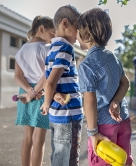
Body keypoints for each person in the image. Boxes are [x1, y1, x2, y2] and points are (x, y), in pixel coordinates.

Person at [77, 8, 134, 166]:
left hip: (103, 126)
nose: (76, 35)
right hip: (123, 120)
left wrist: (93, 133)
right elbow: (125, 83)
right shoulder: (112, 57)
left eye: (78, 31)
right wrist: (116, 101)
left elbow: (89, 100)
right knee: (124, 160)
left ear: (86, 35)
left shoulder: (86, 64)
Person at [14, 15, 63, 166]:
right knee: (39, 139)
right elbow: (46, 74)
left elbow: (17, 76)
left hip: (24, 92)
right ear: (41, 29)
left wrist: (29, 91)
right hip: (41, 93)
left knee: (27, 138)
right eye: (52, 34)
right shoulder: (47, 48)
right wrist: (35, 92)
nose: (52, 39)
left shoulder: (21, 50)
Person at [40, 5, 83, 166]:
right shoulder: (66, 48)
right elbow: (50, 82)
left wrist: (52, 96)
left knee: (58, 157)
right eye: (77, 29)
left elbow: (48, 81)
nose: (78, 36)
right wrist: (46, 102)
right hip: (68, 114)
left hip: (56, 115)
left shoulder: (51, 49)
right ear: (65, 23)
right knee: (68, 160)